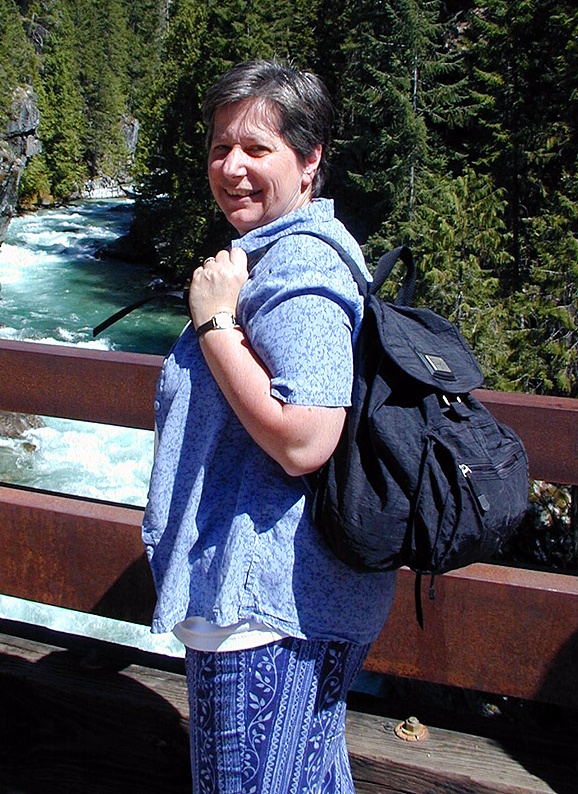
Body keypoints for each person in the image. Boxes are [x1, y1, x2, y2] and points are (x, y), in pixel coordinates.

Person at [143, 59, 396, 793]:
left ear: (309, 158)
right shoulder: (274, 257)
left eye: (258, 148)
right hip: (281, 599)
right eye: (222, 148)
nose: (233, 168)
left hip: (265, 610)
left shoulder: (301, 270)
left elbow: (305, 437)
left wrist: (216, 322)